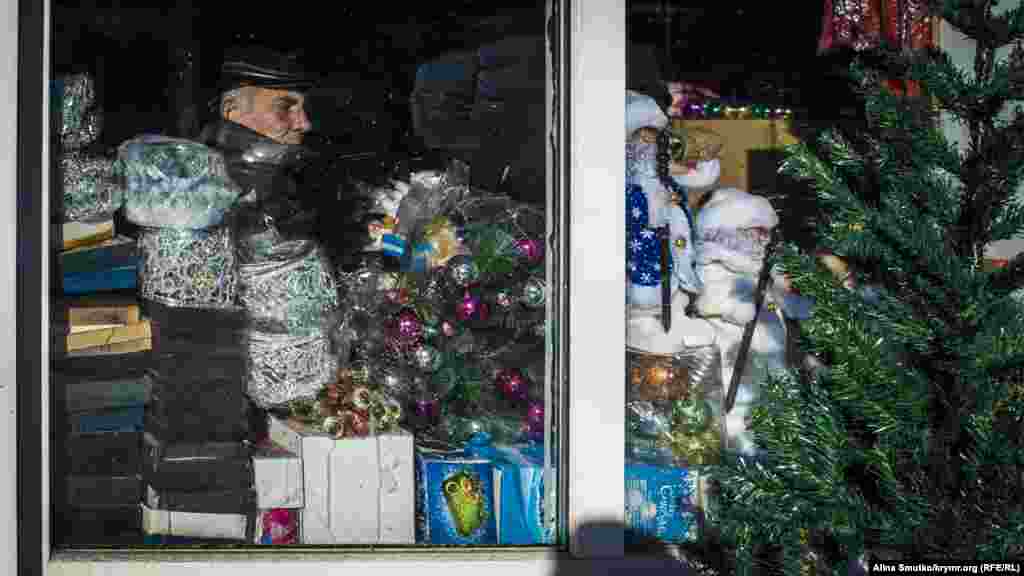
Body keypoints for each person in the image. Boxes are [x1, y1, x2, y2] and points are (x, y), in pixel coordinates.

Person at [201, 45, 340, 408]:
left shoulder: (281, 190)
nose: (304, 123)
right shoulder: (209, 195)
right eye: (285, 107)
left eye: (302, 108)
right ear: (231, 111)